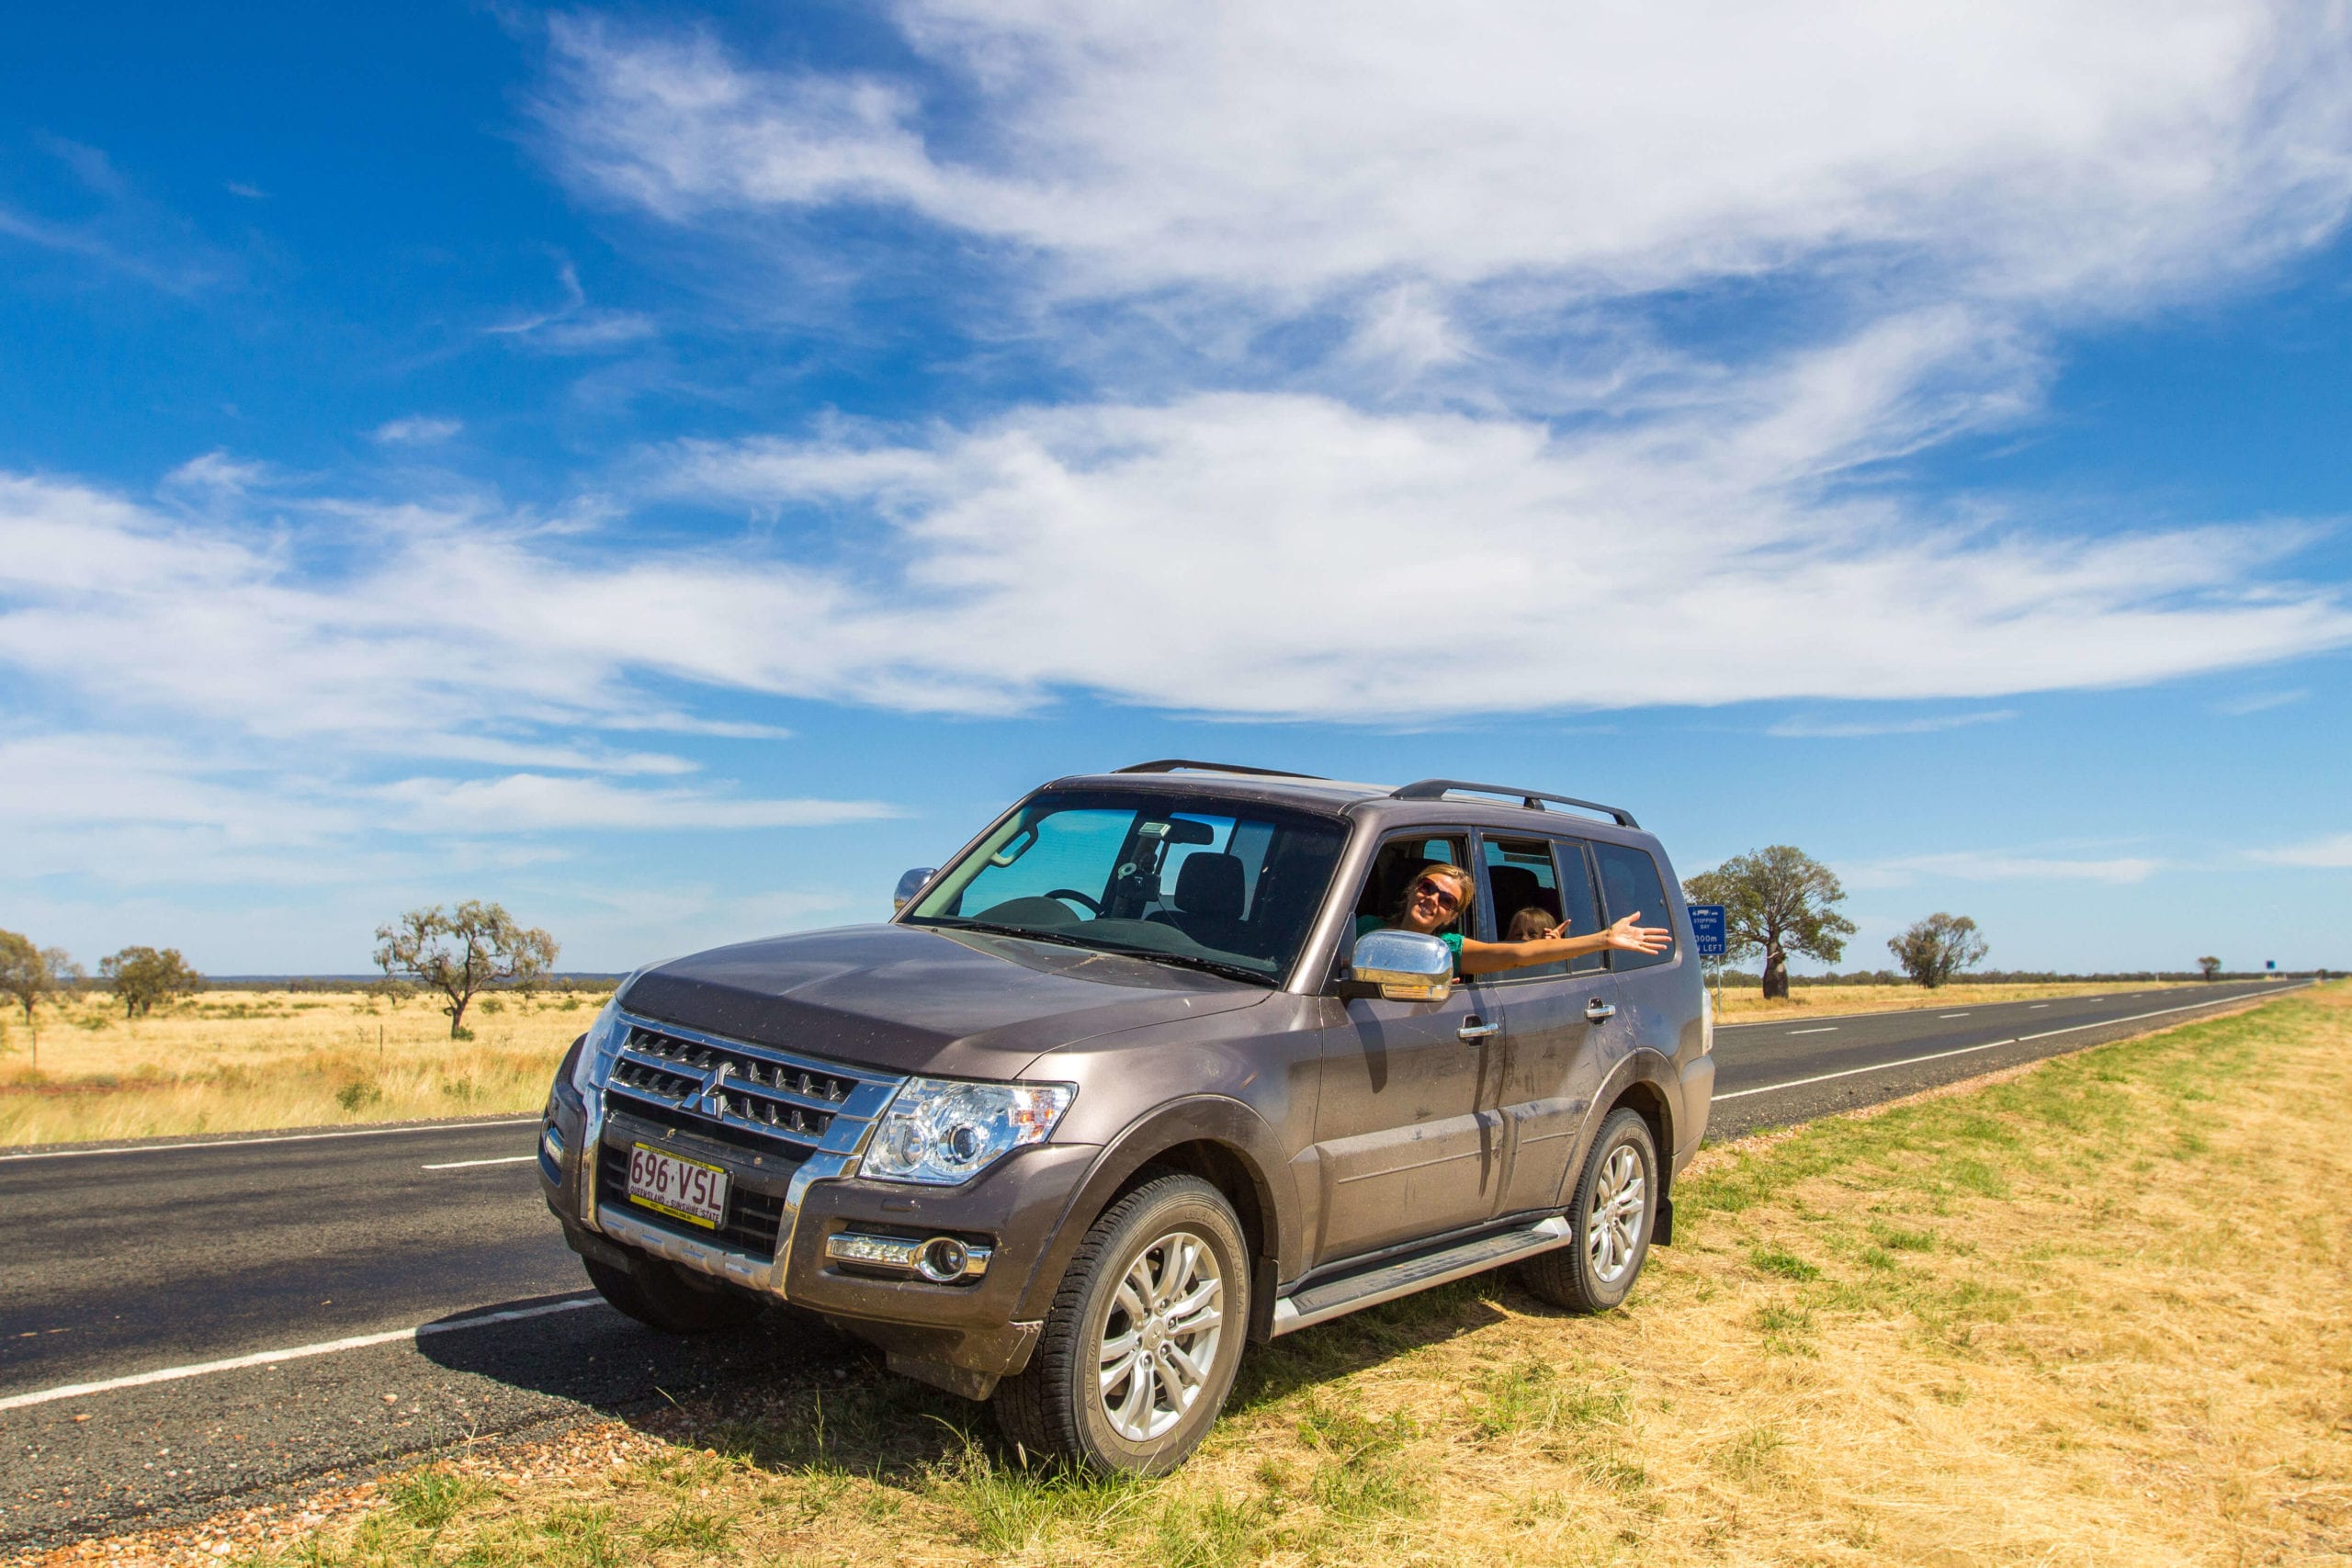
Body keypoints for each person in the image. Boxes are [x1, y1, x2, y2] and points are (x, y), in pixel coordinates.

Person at [1357, 862, 1670, 976]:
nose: (1432, 899)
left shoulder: (1448, 951)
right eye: (1428, 887)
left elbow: (1517, 954)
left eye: (1446, 899)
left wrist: (1602, 939)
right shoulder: (1364, 927)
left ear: (1452, 915)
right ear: (1414, 889)